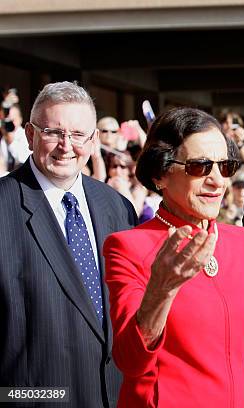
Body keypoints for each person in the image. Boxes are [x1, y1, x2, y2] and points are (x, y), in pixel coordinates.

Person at [103, 107, 244, 407]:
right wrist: (161, 290)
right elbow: (130, 360)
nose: (217, 181)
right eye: (200, 167)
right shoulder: (127, 247)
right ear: (160, 174)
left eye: (224, 167)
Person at [0, 81, 138, 407]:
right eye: (53, 132)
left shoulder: (117, 208)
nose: (66, 145)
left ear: (93, 142)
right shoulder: (3, 206)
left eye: (78, 135)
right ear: (31, 136)